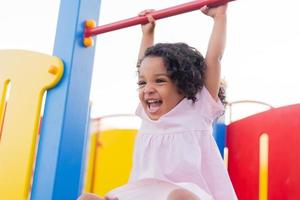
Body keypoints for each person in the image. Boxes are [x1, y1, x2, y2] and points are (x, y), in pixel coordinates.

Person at [78, 2, 236, 200]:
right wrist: (147, 33)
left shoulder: (197, 109)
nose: (148, 89)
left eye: (160, 81)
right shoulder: (147, 115)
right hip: (143, 195)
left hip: (190, 194)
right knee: (87, 198)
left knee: (179, 196)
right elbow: (142, 66)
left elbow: (214, 59)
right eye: (143, 83)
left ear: (185, 83)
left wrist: (220, 16)